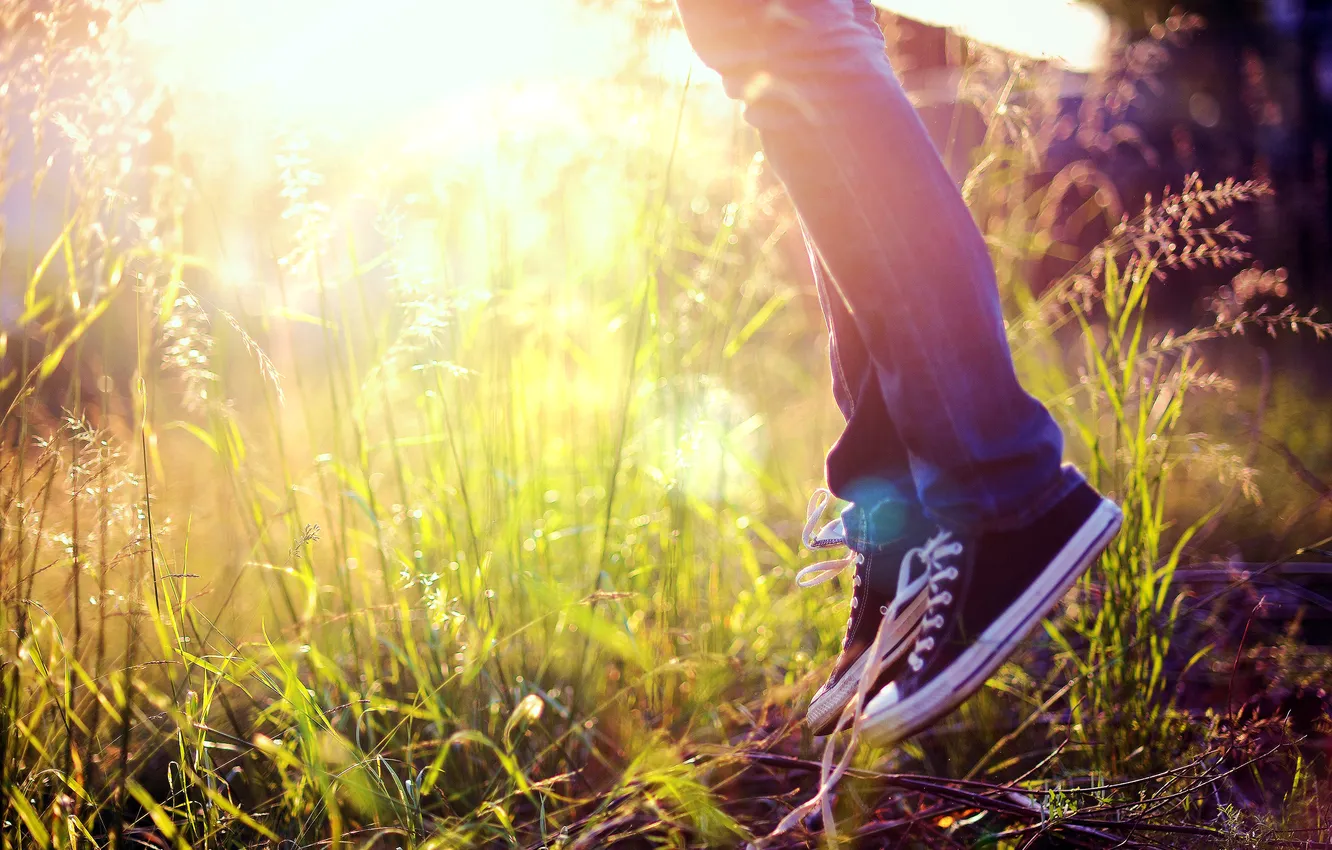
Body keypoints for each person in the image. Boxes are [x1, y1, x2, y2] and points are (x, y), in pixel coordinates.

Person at [673, 0, 1123, 745]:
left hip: (996, 485)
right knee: (789, 35)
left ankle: (999, 490)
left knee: (779, 33)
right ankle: (905, 514)